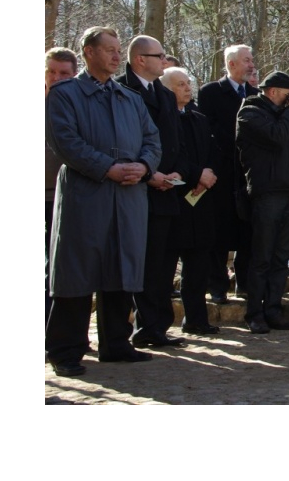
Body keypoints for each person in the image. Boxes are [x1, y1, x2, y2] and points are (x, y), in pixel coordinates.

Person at [45, 26, 161, 376]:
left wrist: (142, 166)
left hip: (128, 195)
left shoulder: (130, 98)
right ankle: (66, 351)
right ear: (89, 52)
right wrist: (108, 168)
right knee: (77, 271)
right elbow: (65, 142)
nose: (115, 55)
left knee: (121, 267)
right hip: (86, 194)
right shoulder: (65, 95)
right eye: (108, 49)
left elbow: (152, 140)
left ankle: (116, 344)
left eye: (117, 49)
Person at [116, 35, 188, 349]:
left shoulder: (165, 95)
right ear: (140, 59)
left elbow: (173, 139)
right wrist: (150, 173)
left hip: (167, 190)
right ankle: (134, 328)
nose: (164, 59)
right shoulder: (120, 89)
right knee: (138, 263)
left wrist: (174, 173)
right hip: (135, 188)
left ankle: (156, 326)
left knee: (162, 263)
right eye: (158, 55)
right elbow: (125, 140)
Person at [236, 71, 289, 333]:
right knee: (262, 255)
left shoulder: (288, 115)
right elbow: (276, 137)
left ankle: (273, 309)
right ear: (272, 92)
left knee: (281, 256)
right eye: (287, 95)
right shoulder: (250, 112)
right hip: (268, 192)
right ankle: (254, 313)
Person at [161, 67, 221, 335]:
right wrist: (197, 174)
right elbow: (170, 157)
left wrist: (207, 176)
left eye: (188, 83)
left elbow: (212, 152)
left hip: (201, 198)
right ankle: (157, 325)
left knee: (198, 265)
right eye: (180, 84)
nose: (187, 88)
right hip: (172, 199)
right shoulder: (163, 119)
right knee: (164, 268)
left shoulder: (199, 118)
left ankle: (196, 319)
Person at [197, 44, 258, 303]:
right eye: (246, 60)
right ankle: (217, 285)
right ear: (231, 64)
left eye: (252, 59)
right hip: (221, 173)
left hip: (248, 173)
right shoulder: (210, 92)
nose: (251, 64)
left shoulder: (256, 94)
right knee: (219, 232)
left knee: (247, 230)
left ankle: (243, 283)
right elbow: (206, 130)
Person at [45, 47, 78, 325]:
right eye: (51, 71)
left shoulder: (78, 104)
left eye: (63, 73)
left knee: (56, 266)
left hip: (63, 195)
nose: (56, 77)